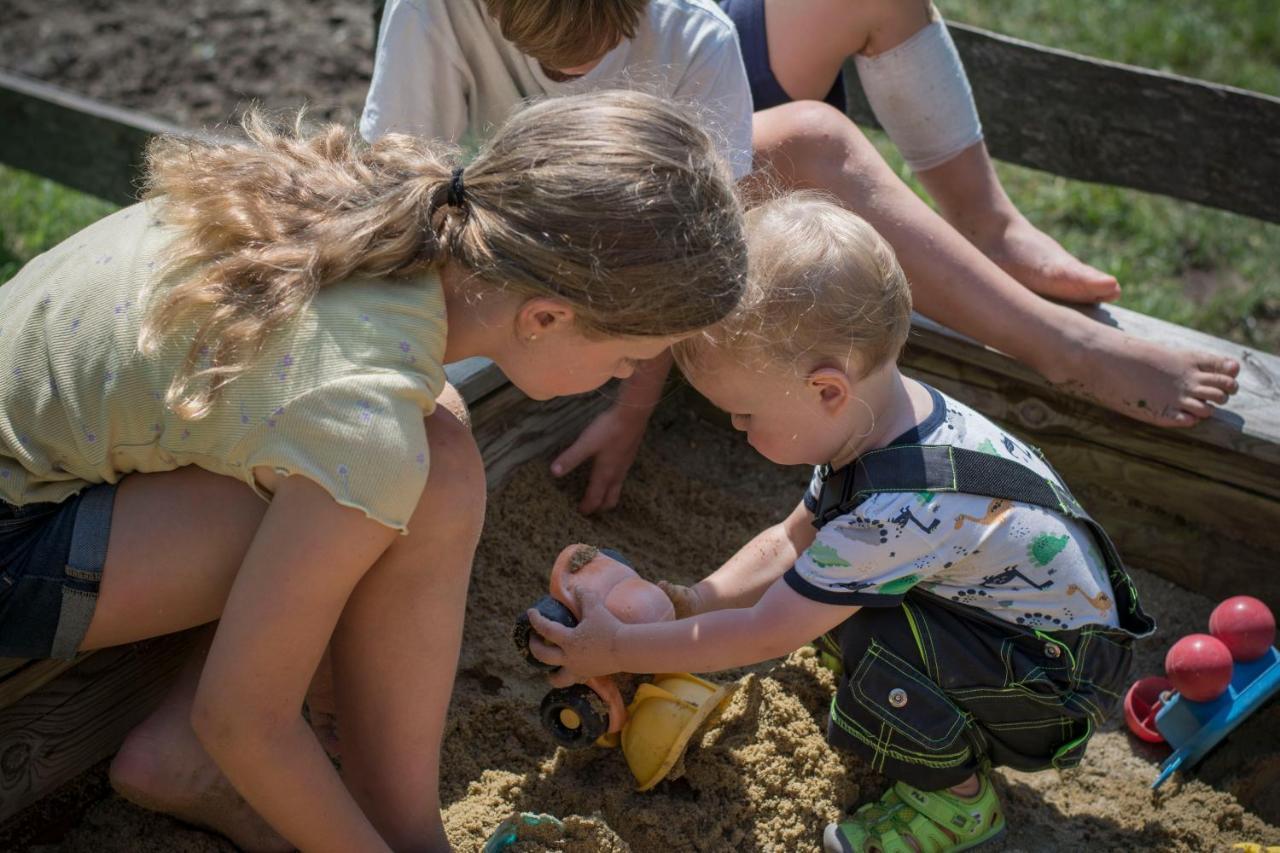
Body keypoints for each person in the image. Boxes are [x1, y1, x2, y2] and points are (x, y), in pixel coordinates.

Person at [0, 90, 746, 852]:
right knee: (393, 482)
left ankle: (394, 823)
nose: (621, 377)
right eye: (626, 358)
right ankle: (215, 771)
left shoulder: (404, 215)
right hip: (15, 537)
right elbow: (241, 719)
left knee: (431, 453)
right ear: (545, 316)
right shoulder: (365, 413)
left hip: (51, 469)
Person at [362, 0, 1240, 516]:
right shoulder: (436, 10)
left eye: (590, 51)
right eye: (545, 57)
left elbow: (684, 254)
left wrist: (633, 408)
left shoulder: (687, 30)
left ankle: (1020, 275)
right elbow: (394, 181)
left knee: (817, 134)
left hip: (682, 162)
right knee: (817, 137)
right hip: (557, 205)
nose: (568, 65)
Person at [526, 194, 1155, 852]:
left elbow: (762, 632)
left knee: (864, 627)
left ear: (826, 389)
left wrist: (618, 651)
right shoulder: (888, 417)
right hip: (1034, 635)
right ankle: (927, 709)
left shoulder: (894, 513)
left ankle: (957, 806)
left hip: (1052, 686)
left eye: (744, 415)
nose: (739, 432)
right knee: (836, 597)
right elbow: (790, 538)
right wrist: (690, 601)